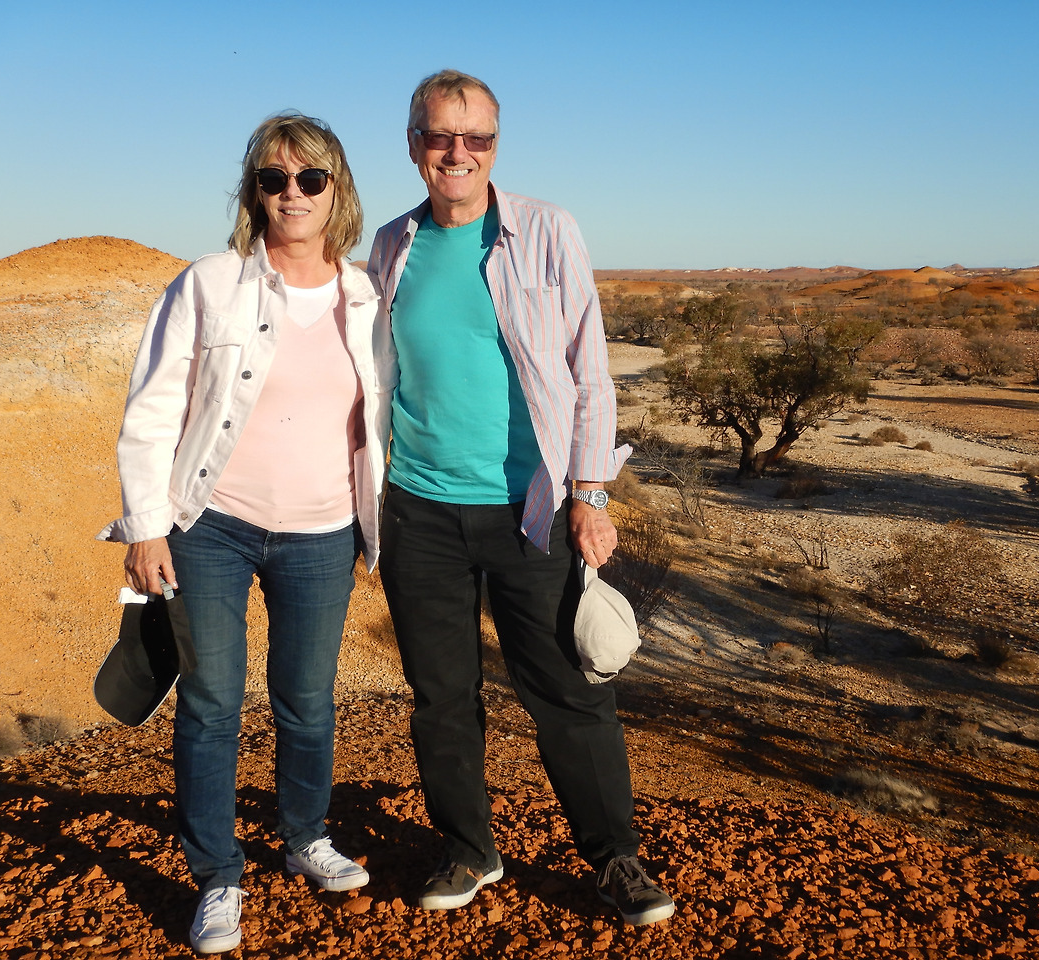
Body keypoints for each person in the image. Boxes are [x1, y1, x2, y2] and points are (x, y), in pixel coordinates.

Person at [366, 69, 675, 927]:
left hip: (530, 507)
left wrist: (591, 491)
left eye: (477, 139)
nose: (457, 153)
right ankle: (468, 848)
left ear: (496, 145)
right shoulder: (392, 244)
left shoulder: (544, 229)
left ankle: (615, 861)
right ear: (414, 144)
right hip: (419, 505)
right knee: (441, 693)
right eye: (439, 137)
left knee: (568, 692)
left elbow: (587, 369)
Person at [97, 114, 384, 954]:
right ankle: (218, 876)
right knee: (213, 700)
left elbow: (386, 420)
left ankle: (305, 840)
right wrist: (147, 528)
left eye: (309, 178)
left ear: (337, 189)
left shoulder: (367, 296)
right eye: (272, 178)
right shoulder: (210, 283)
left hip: (325, 531)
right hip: (211, 526)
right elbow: (152, 408)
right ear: (252, 191)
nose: (290, 193)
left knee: (305, 702)